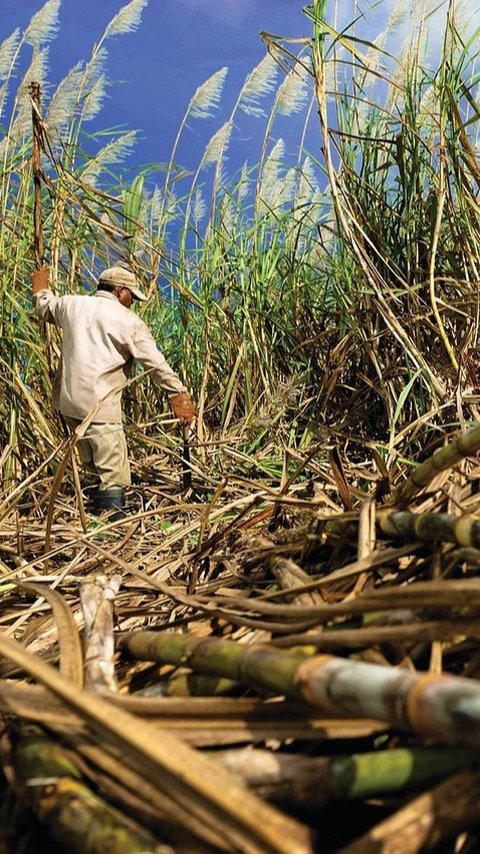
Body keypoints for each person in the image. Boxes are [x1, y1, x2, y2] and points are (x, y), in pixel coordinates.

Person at [32, 264, 195, 517]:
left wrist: (40, 286)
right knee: (113, 476)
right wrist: (178, 394)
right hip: (100, 409)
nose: (133, 302)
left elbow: (45, 306)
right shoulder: (128, 321)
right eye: (131, 295)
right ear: (120, 292)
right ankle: (112, 535)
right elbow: (155, 363)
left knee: (92, 468)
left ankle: (94, 522)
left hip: (70, 405)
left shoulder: (72, 305)